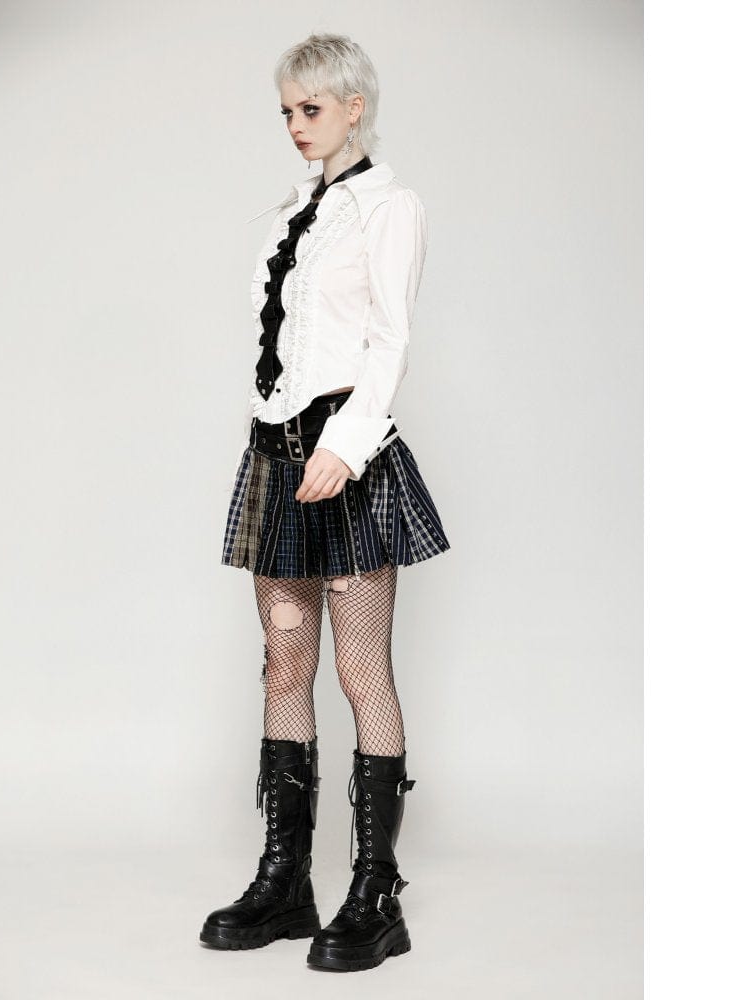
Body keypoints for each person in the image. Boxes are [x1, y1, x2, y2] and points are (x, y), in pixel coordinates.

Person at [200, 32, 451, 972]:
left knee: (360, 669)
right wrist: (271, 430)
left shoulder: (389, 207)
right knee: (283, 661)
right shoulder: (288, 216)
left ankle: (377, 895)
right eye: (287, 112)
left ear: (354, 106)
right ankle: (286, 883)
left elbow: (390, 339)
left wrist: (345, 446)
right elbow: (286, 344)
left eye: (311, 109)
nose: (296, 126)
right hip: (277, 453)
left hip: (348, 454)